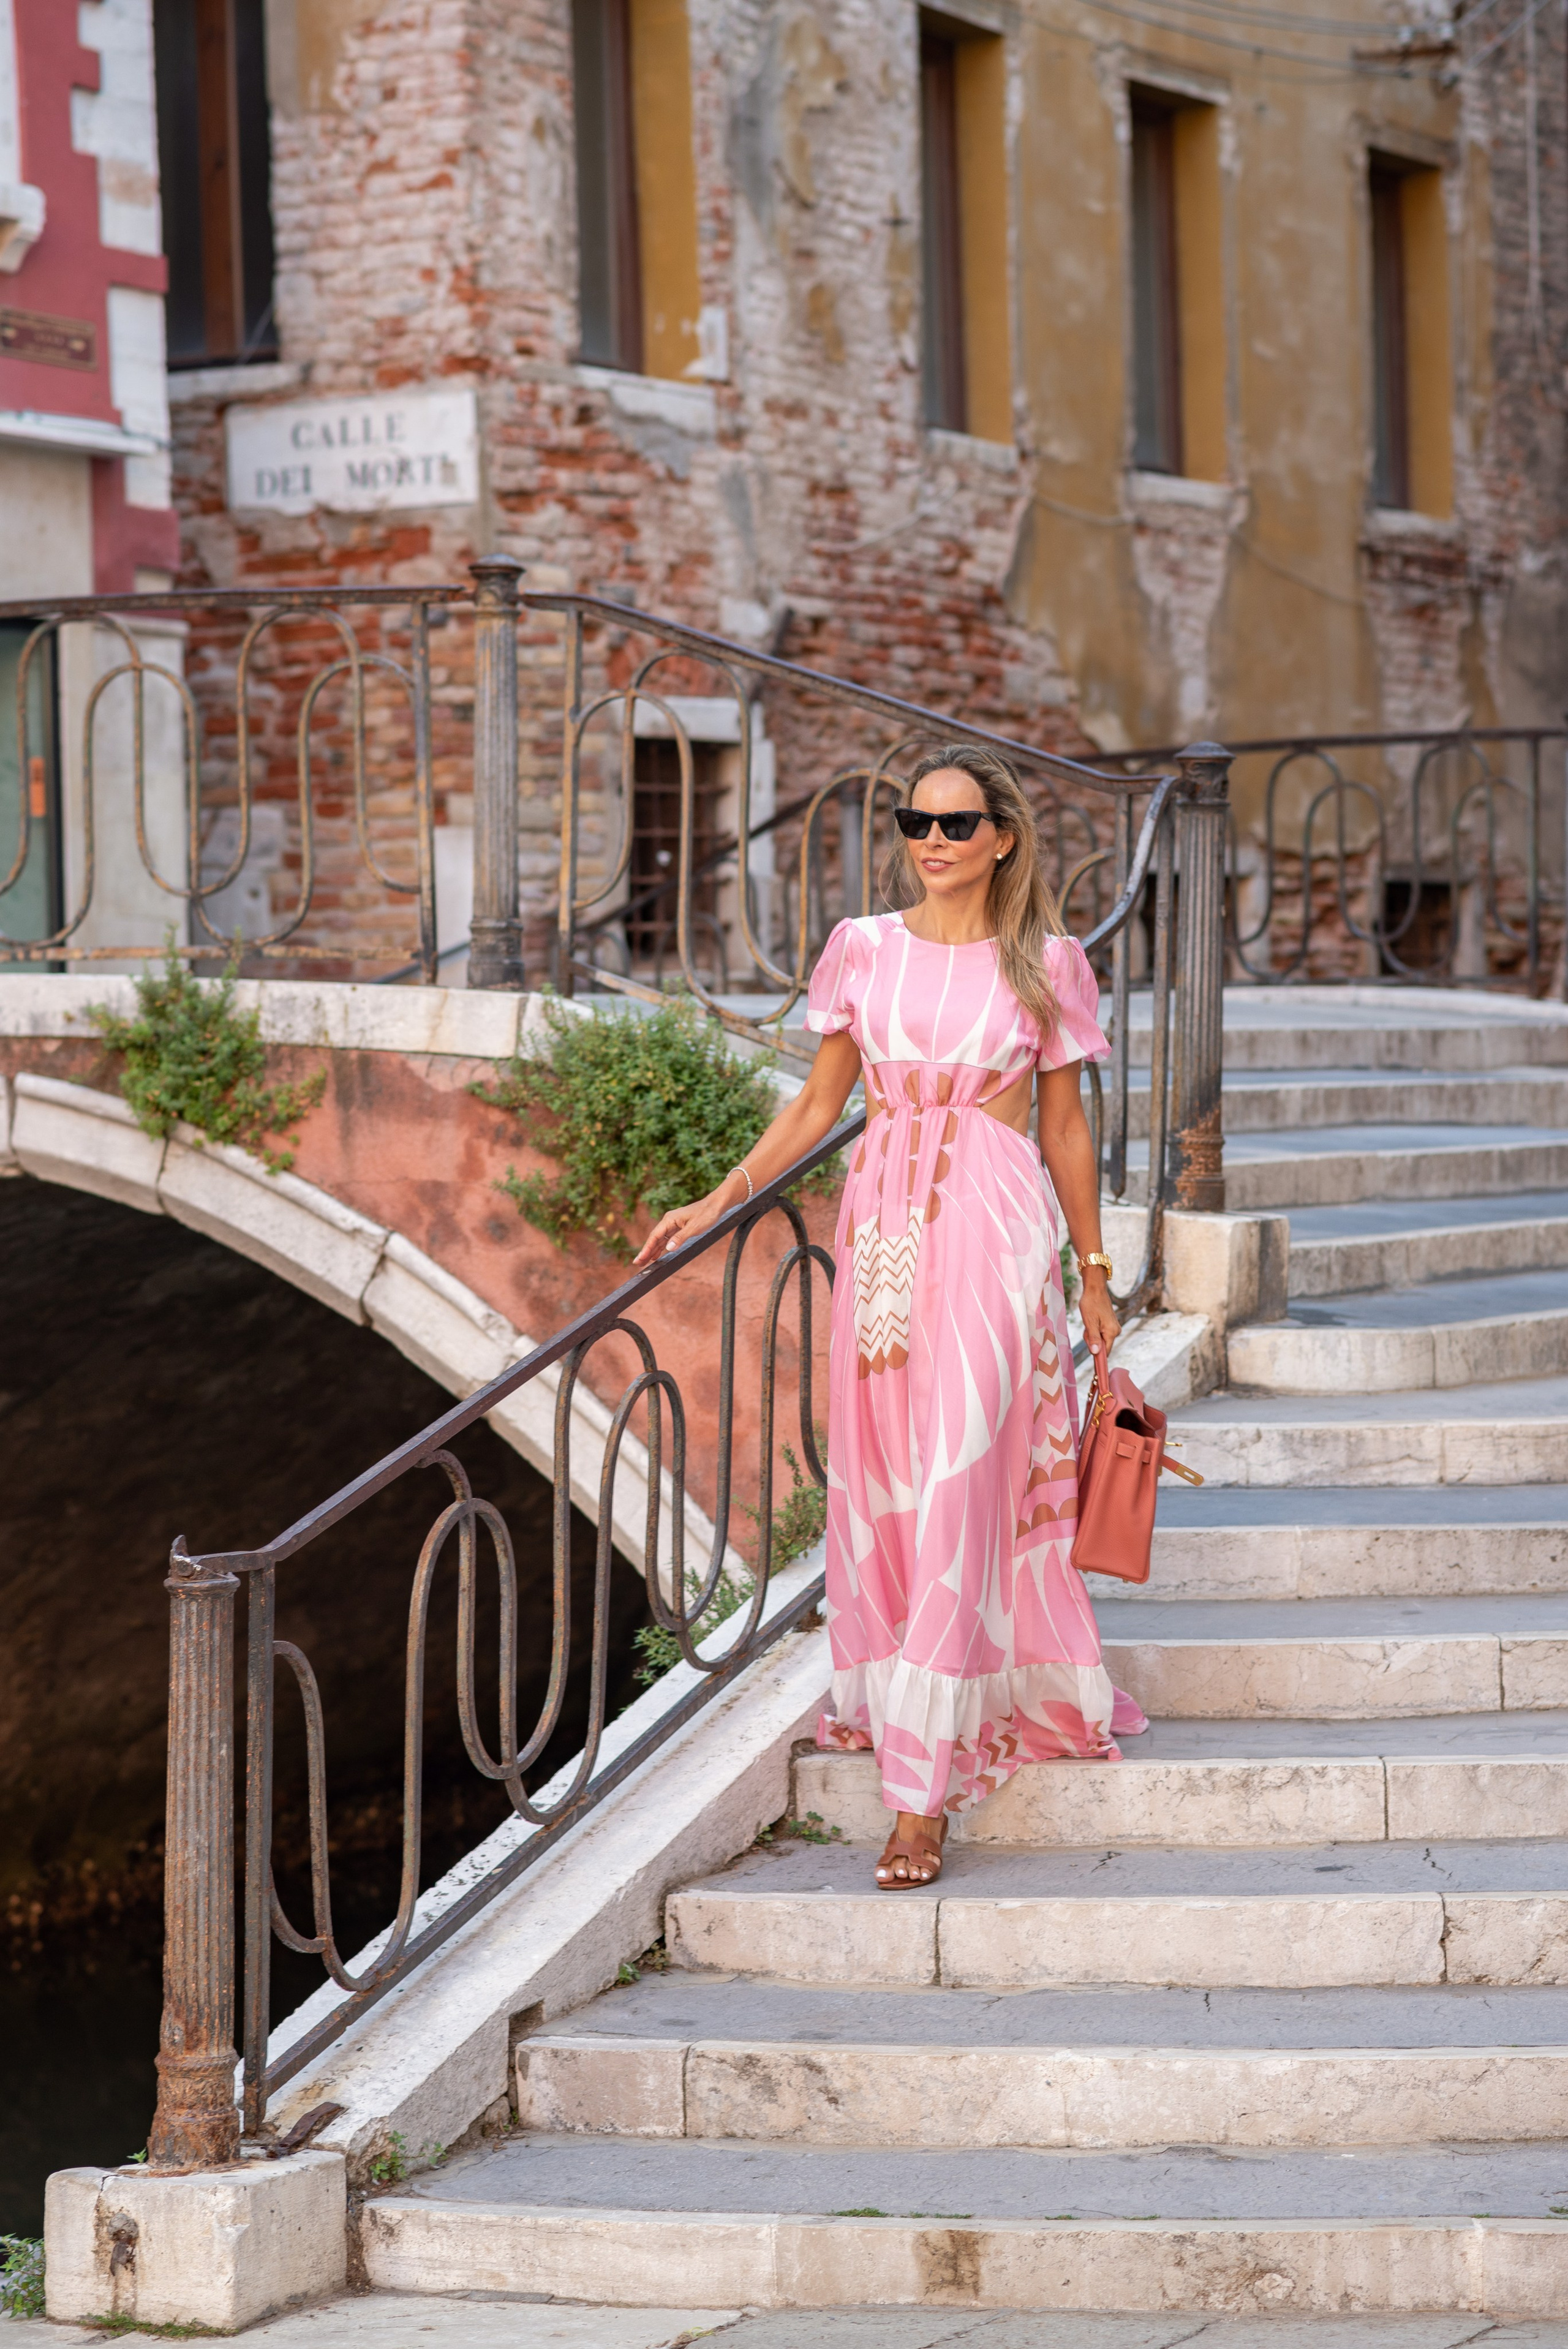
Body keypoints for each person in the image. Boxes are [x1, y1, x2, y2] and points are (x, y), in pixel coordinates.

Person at [634, 744, 1146, 1888]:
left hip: (998, 1228)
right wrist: (721, 1195)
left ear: (1003, 838)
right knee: (887, 1476)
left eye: (958, 825)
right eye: (917, 820)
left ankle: (921, 1797)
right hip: (886, 1235)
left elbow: (1063, 1129)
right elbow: (821, 1101)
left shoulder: (1050, 965)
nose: (934, 840)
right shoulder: (863, 948)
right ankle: (912, 1696)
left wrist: (1095, 1273)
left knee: (966, 1468)